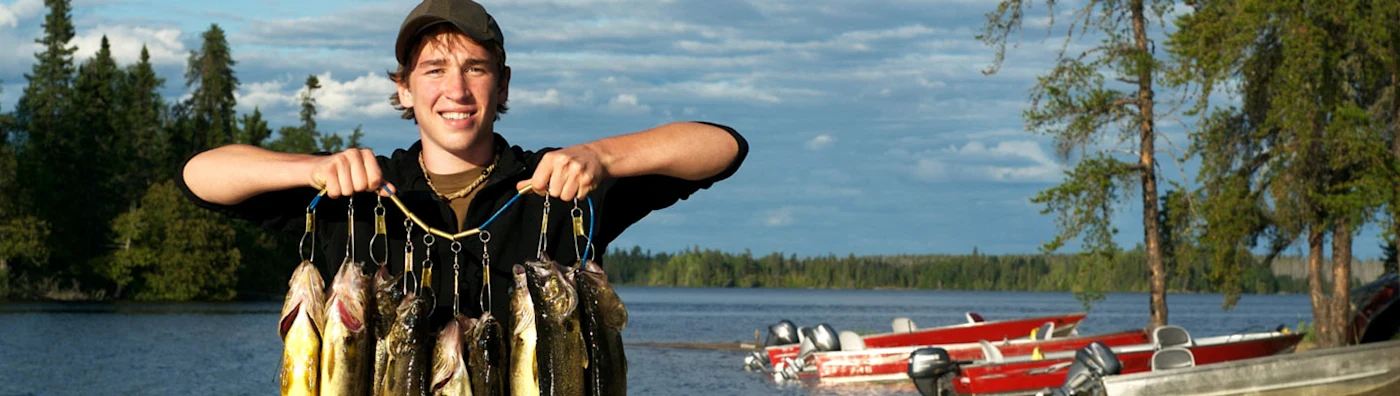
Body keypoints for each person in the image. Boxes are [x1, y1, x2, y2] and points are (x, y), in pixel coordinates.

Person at [178, 0, 746, 322]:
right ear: (404, 90)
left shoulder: (563, 186)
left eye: (476, 68)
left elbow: (723, 147)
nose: (457, 89)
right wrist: (311, 170)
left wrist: (602, 156)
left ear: (502, 87)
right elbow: (200, 177)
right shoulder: (354, 194)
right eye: (434, 70)